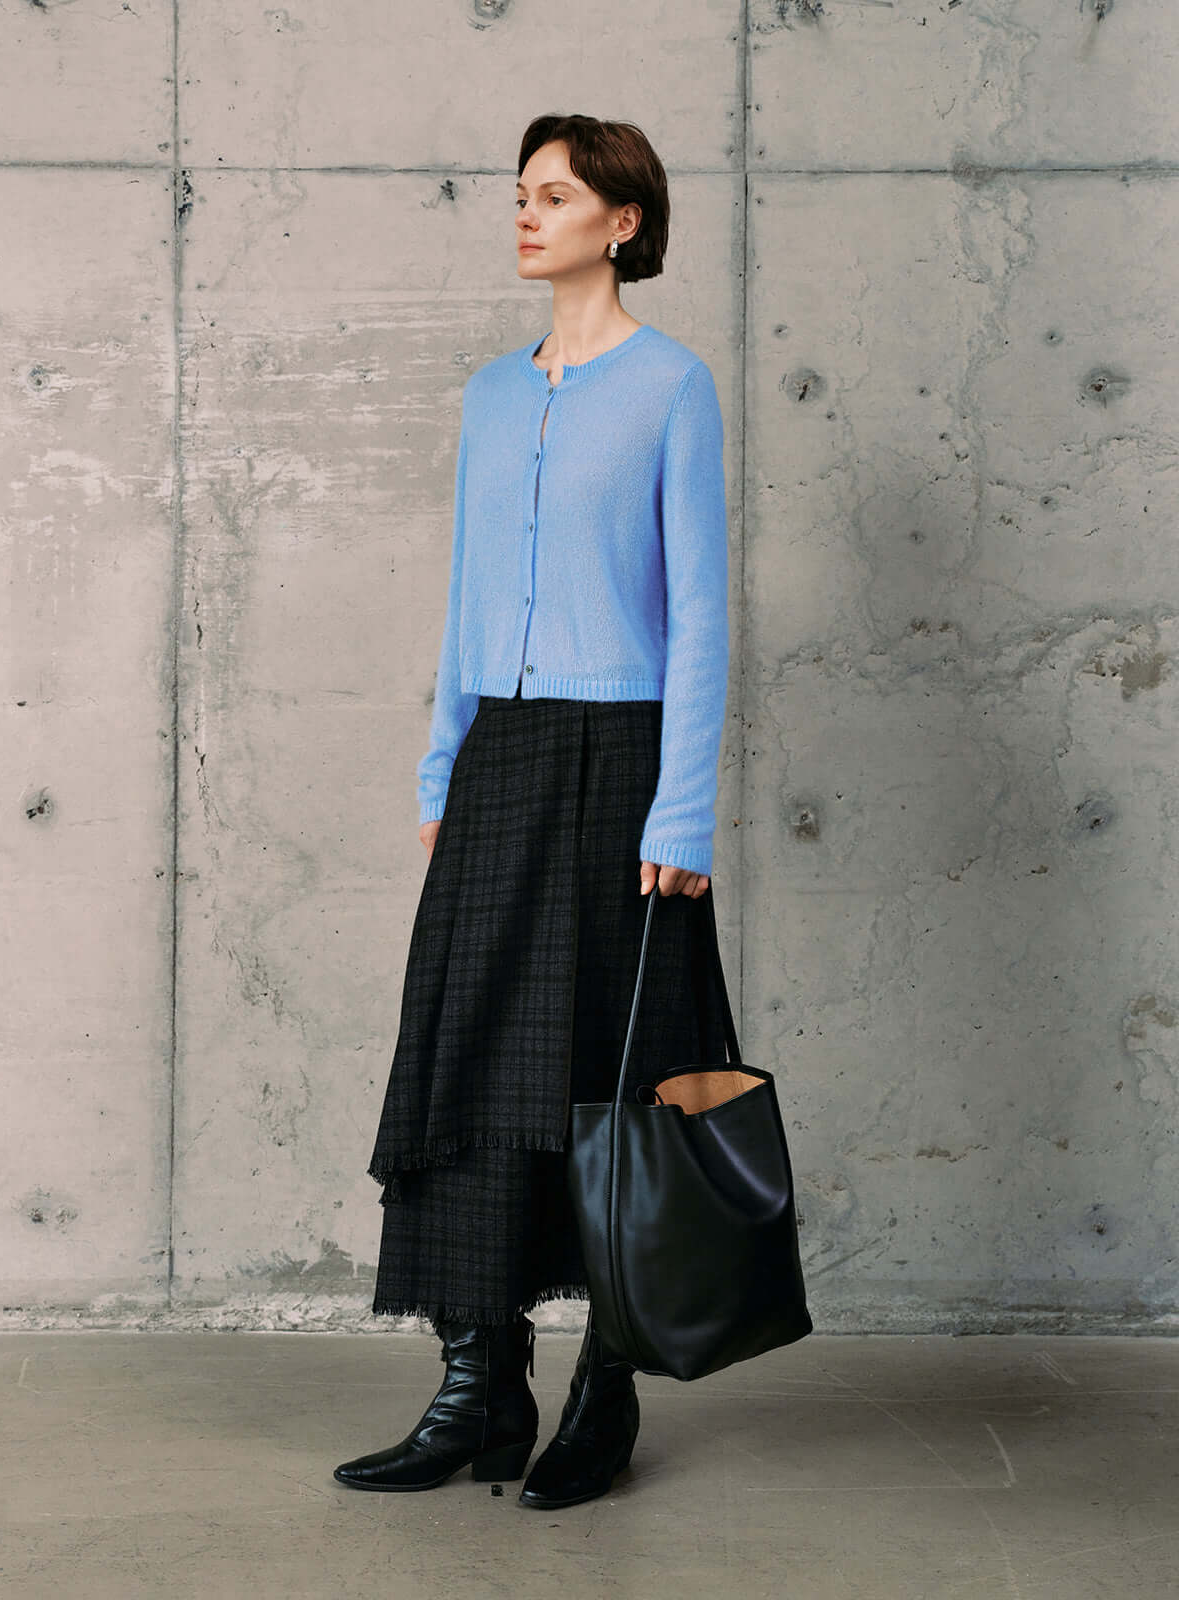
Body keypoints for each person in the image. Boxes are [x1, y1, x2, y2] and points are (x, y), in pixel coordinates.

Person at [334, 112, 732, 1510]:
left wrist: (681, 814)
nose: (524, 213)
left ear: (620, 222)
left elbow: (699, 621)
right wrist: (444, 767)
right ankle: (476, 1384)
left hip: (621, 764)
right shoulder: (493, 397)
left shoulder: (675, 389)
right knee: (465, 1073)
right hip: (500, 761)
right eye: (520, 193)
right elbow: (462, 605)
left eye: (552, 195)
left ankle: (606, 1390)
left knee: (612, 1084)